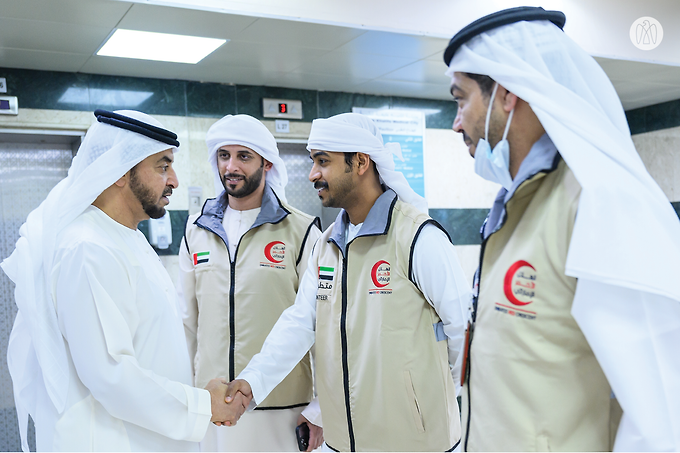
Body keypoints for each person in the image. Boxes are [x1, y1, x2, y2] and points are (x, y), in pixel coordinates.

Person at [443, 7, 680, 451]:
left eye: (461, 99)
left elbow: (662, 414)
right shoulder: (519, 203)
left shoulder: (598, 202)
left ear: (506, 94)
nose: (457, 121)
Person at [224, 113, 472, 451]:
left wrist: (431, 403)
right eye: (313, 162)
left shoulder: (416, 237)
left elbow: (461, 330)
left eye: (323, 162)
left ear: (360, 162)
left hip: (416, 443)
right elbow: (299, 324)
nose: (313, 174)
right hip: (344, 442)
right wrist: (252, 381)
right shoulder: (326, 246)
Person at [1, 110, 247, 452]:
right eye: (163, 166)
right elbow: (111, 374)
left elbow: (150, 347)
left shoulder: (127, 238)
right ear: (120, 172)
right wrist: (201, 404)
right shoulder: (88, 248)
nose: (174, 180)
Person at [178, 114, 323, 452]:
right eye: (224, 155)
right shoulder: (196, 230)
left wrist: (318, 410)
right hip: (211, 408)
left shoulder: (301, 232)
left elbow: (321, 328)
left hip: (282, 409)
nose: (231, 166)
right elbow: (187, 323)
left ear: (267, 164)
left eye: (244, 156)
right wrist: (186, 400)